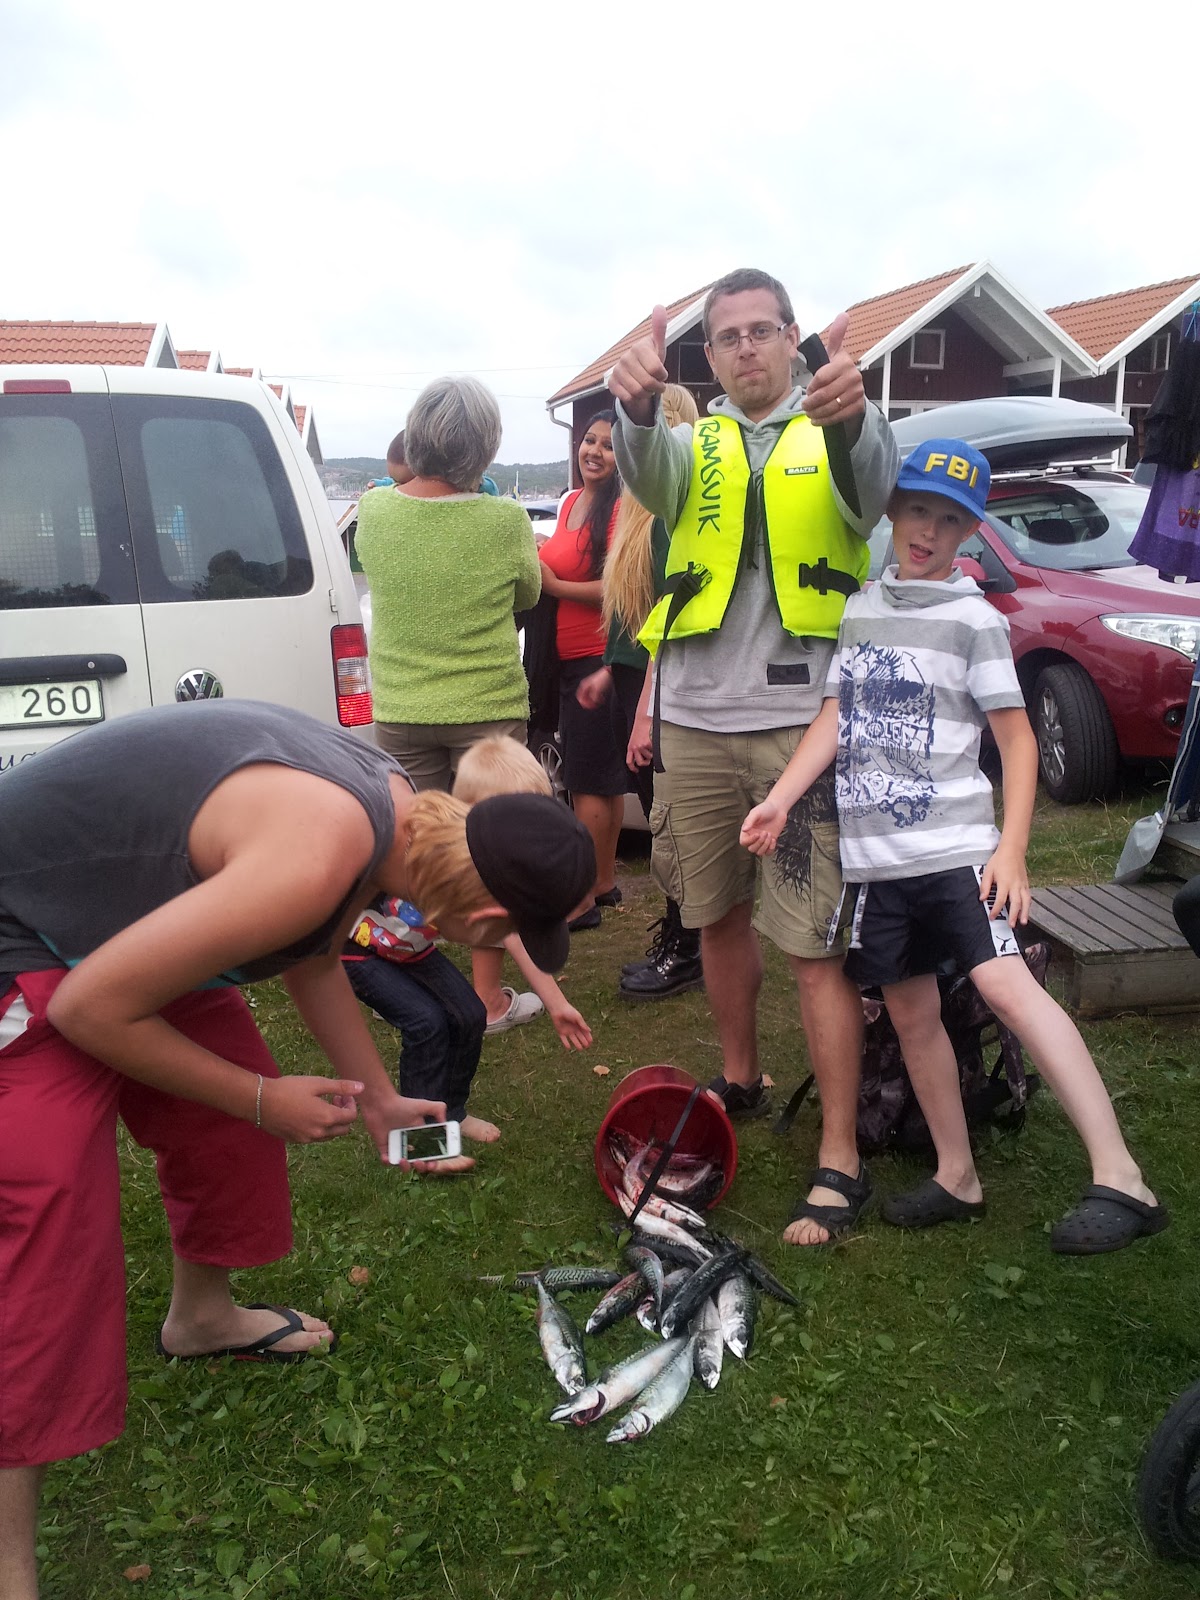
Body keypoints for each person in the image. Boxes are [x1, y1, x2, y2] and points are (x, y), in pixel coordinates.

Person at [0, 698, 595, 1600]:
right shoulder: (319, 852)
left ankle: (201, 1319)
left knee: (222, 1138)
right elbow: (91, 1008)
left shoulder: (394, 812)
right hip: (22, 933)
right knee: (46, 1224)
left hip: (129, 922)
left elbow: (307, 947)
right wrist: (259, 1098)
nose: (502, 946)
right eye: (510, 933)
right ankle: (11, 1566)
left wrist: (379, 1098)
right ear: (484, 913)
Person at [742, 439, 1168, 1252]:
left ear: (970, 531)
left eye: (948, 520)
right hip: (876, 865)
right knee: (911, 1013)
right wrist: (780, 798)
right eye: (916, 511)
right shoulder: (861, 608)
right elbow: (837, 714)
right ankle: (956, 1175)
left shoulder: (977, 620)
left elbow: (1018, 741)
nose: (927, 531)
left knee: (1008, 989)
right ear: (892, 512)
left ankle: (1123, 1178)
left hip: (957, 854)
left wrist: (1011, 851)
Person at [609, 267, 899, 1245]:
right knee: (715, 915)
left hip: (797, 728)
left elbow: (873, 490)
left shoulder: (838, 425)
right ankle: (741, 1076)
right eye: (727, 335)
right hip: (694, 721)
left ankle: (839, 1157)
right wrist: (634, 408)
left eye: (763, 331)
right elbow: (646, 474)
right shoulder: (692, 445)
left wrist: (854, 412)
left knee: (814, 943)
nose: (745, 348)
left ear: (789, 339)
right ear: (711, 354)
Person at [576, 384, 704, 1000]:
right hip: (635, 678)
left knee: (669, 819)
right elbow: (634, 616)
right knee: (659, 812)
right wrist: (610, 668)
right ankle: (683, 936)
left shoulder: (666, 517)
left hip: (661, 687)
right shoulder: (638, 513)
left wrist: (645, 712)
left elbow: (669, 619)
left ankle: (687, 945)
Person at [357, 375, 542, 792]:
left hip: (401, 706)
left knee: (419, 829)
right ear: (486, 444)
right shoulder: (507, 518)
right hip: (489, 705)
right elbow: (528, 596)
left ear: (415, 435)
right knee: (498, 830)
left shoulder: (373, 509)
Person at [537, 410, 628, 930]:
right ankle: (603, 882)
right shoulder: (572, 501)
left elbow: (619, 586)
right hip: (568, 659)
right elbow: (564, 556)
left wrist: (554, 586)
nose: (594, 451)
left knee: (589, 780)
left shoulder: (620, 507)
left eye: (608, 446)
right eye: (590, 440)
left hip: (597, 658)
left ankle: (583, 901)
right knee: (601, 780)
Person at [452, 736, 593, 1050]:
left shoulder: (487, 855)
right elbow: (513, 933)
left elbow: (512, 930)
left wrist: (557, 1004)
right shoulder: (466, 858)